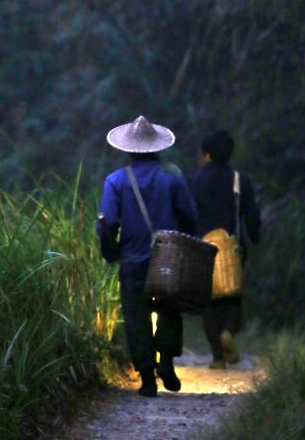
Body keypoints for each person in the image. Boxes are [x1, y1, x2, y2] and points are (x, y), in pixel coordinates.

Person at [97, 115, 197, 397]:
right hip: (168, 257)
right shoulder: (173, 175)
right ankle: (165, 361)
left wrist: (111, 252)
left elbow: (108, 224)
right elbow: (189, 215)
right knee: (169, 309)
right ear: (158, 148)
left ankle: (147, 377)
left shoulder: (115, 181)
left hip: (132, 260)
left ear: (127, 149)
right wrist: (185, 243)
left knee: (136, 315)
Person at [188, 129, 261, 369]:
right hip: (233, 247)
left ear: (207, 155)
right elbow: (250, 214)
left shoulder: (194, 181)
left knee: (209, 302)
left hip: (202, 248)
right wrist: (255, 236)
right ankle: (229, 331)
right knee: (233, 296)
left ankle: (217, 357)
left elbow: (186, 215)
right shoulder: (240, 179)